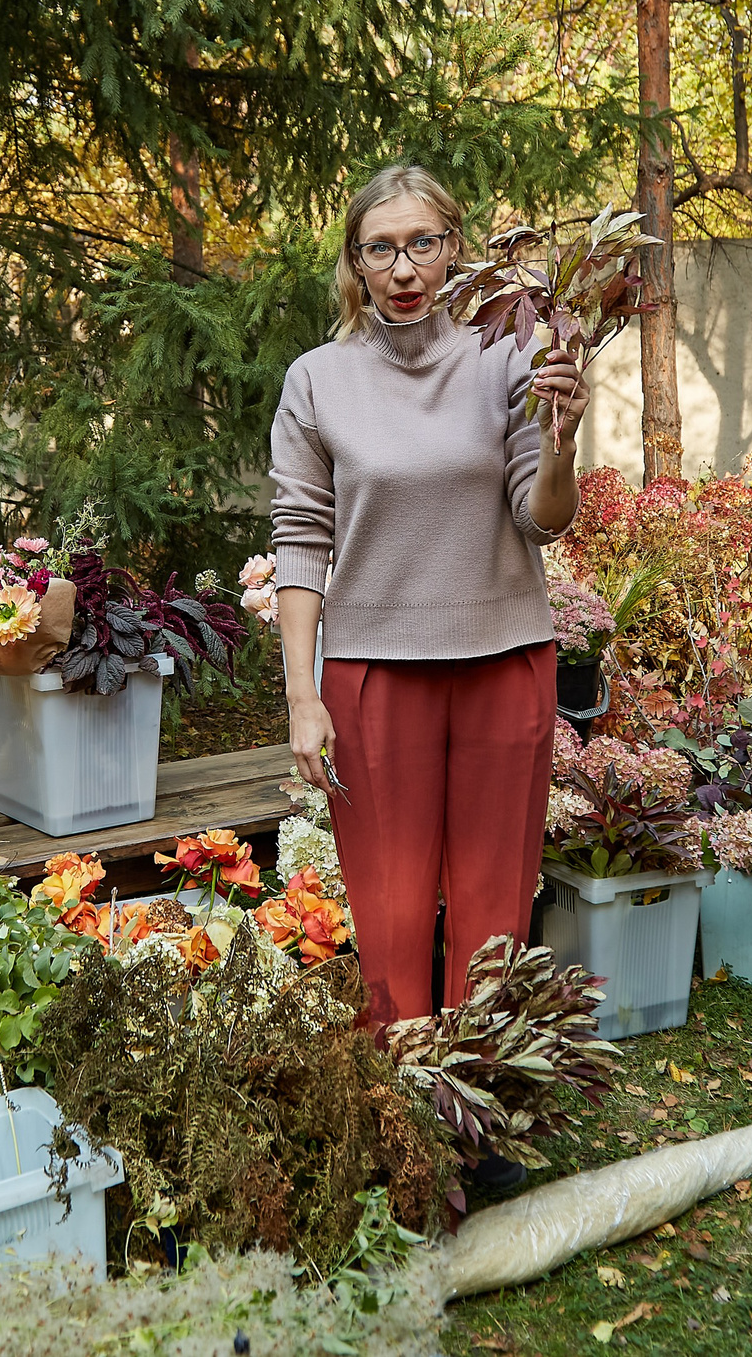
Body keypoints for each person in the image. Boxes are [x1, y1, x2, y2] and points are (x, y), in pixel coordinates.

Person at [267, 164, 587, 1097]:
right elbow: (299, 538)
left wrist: (561, 441)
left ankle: (484, 1109)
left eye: (423, 243)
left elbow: (543, 519)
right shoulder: (317, 381)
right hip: (373, 677)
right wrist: (301, 695)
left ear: (455, 248)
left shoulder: (509, 355)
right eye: (381, 247)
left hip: (504, 662)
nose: (404, 267)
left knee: (494, 909)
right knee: (394, 915)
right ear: (354, 264)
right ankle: (407, 1118)